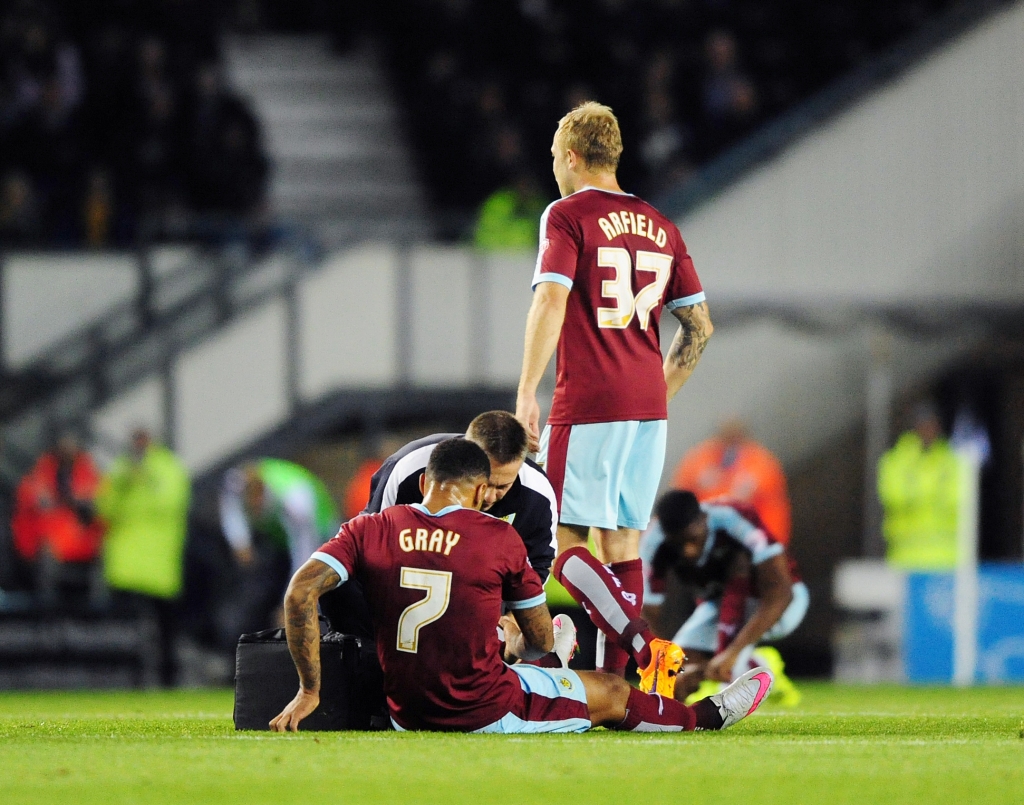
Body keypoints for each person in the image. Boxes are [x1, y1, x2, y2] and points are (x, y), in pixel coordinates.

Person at [270, 438, 773, 733]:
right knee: (613, 691)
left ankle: (547, 667)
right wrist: (525, 644)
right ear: (481, 489)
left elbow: (299, 593)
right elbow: (533, 633)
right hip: (481, 708)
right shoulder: (498, 536)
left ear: (425, 481)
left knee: (509, 651)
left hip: (402, 707)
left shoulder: (368, 527)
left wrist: (308, 690)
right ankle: (705, 716)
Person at [514, 101, 713, 693]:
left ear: (572, 157)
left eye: (555, 159)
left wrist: (527, 390)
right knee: (622, 545)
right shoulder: (663, 225)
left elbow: (551, 301)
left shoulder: (567, 214)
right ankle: (617, 685)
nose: (555, 170)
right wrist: (657, 392)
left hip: (590, 401)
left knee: (564, 542)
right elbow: (699, 326)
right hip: (646, 408)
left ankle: (645, 648)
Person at [320, 411, 557, 654]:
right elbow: (371, 548)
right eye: (484, 482)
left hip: (481, 596)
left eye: (502, 486)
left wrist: (512, 622)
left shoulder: (537, 495)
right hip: (405, 584)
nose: (488, 497)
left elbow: (538, 565)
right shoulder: (407, 470)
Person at [639, 491, 807, 704]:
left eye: (692, 539)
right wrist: (662, 663)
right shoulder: (654, 541)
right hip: (718, 605)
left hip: (777, 600)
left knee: (728, 670)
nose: (688, 551)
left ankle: (756, 664)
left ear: (703, 519)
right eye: (678, 544)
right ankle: (756, 666)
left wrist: (732, 652)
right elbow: (648, 611)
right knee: (672, 676)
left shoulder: (734, 519)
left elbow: (780, 591)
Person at [96, 428, 191, 686]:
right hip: (125, 565)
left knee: (165, 630)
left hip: (159, 565)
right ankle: (123, 680)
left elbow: (170, 503)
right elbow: (105, 509)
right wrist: (124, 482)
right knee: (123, 632)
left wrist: (143, 478)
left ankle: (168, 681)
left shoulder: (168, 468)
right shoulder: (120, 470)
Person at [219, 458, 338, 640]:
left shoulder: (295, 501)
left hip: (319, 538)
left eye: (257, 504)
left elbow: (304, 556)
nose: (254, 511)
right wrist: (240, 542)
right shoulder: (238, 482)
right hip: (280, 536)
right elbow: (230, 504)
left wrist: (290, 604)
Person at [10, 432, 104, 607]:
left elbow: (99, 502)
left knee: (101, 561)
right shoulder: (40, 473)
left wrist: (82, 504)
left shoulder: (90, 474)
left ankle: (96, 610)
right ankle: (45, 609)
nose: (67, 449)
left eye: (71, 445)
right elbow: (30, 497)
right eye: (63, 445)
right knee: (47, 562)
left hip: (83, 539)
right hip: (50, 539)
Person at [672, 417, 792, 545]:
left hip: (756, 540)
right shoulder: (701, 459)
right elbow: (679, 492)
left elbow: (756, 489)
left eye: (734, 441)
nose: (729, 448)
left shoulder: (760, 461)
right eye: (726, 441)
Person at [877, 402, 964, 570]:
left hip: (946, 558)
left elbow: (960, 498)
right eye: (923, 424)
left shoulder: (952, 459)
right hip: (905, 557)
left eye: (932, 424)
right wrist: (935, 494)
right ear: (914, 427)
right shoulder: (896, 459)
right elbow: (893, 496)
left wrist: (917, 493)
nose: (928, 430)